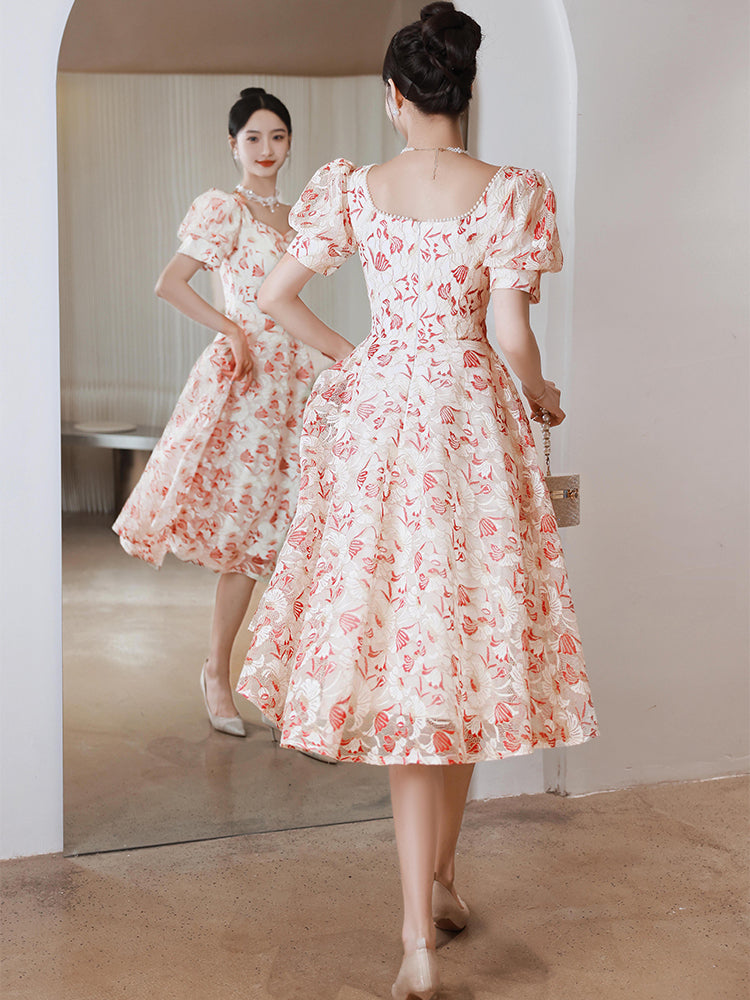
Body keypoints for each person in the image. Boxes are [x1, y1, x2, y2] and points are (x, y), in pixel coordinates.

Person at [237, 3, 598, 995]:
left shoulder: (354, 187)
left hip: (386, 424)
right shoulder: (512, 191)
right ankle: (436, 884)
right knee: (468, 648)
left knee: (407, 657)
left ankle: (420, 932)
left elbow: (275, 295)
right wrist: (542, 395)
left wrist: (363, 361)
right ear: (463, 93)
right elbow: (514, 337)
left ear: (394, 97)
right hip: (474, 425)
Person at [114, 88, 315, 739]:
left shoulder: (300, 215)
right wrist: (230, 330)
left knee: (297, 541)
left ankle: (288, 685)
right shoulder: (223, 209)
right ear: (234, 145)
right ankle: (217, 673)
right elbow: (170, 282)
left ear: (289, 143)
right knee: (249, 541)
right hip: (250, 386)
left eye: (277, 136)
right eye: (253, 137)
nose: (266, 149)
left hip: (299, 383)